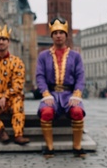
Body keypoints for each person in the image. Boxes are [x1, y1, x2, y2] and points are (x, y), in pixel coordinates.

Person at [36, 17, 86, 158]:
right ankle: (49, 147)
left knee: (77, 111)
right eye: (55, 33)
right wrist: (45, 93)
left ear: (66, 35)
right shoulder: (43, 56)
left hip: (70, 94)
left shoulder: (75, 56)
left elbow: (80, 76)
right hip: (51, 93)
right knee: (46, 112)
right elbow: (40, 76)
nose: (58, 35)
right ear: (52, 35)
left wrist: (77, 94)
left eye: (61, 33)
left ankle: (77, 146)